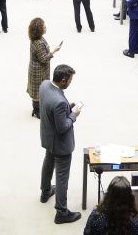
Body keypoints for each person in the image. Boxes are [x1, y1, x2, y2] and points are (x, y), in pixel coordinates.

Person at [39, 64, 81, 224]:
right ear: (63, 80)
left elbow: (51, 110)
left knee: (48, 163)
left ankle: (45, 192)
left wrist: (65, 110)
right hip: (61, 145)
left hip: (47, 138)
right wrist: (73, 115)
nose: (70, 82)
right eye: (70, 80)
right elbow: (63, 127)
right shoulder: (59, 102)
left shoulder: (44, 85)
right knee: (62, 178)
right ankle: (62, 212)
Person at [27, 17, 61, 119]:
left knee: (39, 90)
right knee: (38, 92)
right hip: (39, 71)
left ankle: (38, 108)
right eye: (44, 27)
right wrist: (53, 51)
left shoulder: (38, 38)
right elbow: (43, 59)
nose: (46, 28)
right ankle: (37, 110)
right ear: (39, 30)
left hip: (38, 69)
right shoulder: (38, 43)